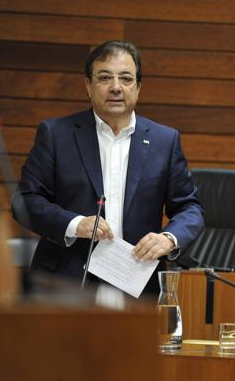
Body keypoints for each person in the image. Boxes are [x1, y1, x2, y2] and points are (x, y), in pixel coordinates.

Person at [11, 40, 204, 295]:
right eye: (104, 78)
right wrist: (75, 224)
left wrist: (168, 239)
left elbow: (190, 207)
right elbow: (24, 201)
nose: (116, 87)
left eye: (126, 78)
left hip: (136, 283)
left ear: (138, 87)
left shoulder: (163, 141)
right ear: (88, 86)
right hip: (65, 283)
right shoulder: (57, 134)